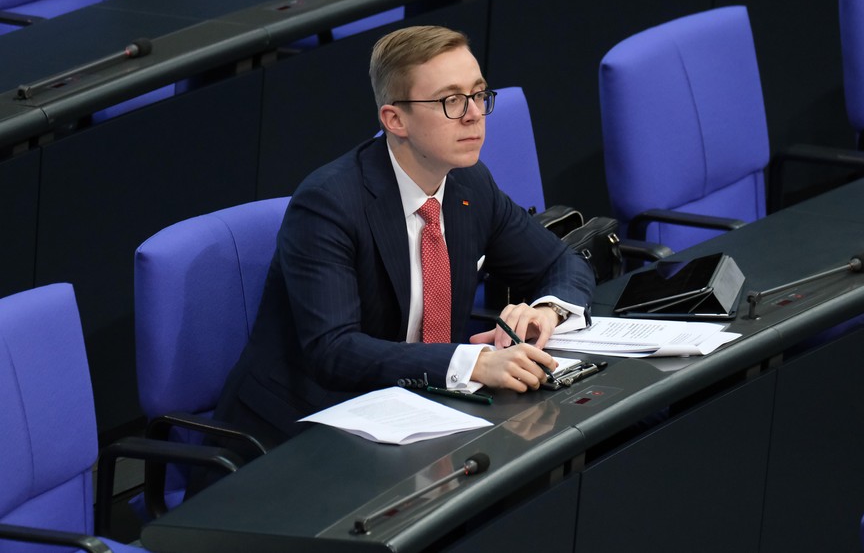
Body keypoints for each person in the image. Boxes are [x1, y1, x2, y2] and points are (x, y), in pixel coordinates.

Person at [212, 25, 595, 448]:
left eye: (479, 94)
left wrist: (546, 311)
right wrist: (472, 363)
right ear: (395, 119)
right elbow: (334, 350)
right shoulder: (328, 203)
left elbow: (560, 262)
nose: (473, 114)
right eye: (451, 100)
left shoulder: (470, 183)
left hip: (419, 409)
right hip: (302, 431)